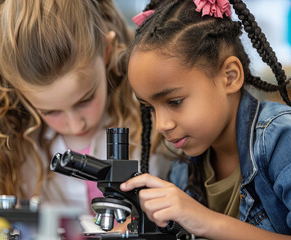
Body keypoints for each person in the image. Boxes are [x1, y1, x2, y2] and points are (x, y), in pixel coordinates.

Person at [0, 0, 173, 222]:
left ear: (107, 51)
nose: (75, 124)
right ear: (19, 94)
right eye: (50, 112)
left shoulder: (153, 128)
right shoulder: (15, 152)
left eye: (85, 100)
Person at [121, 0, 291, 238]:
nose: (161, 125)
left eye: (175, 101)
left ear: (230, 77)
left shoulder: (282, 140)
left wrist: (204, 220)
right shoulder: (183, 171)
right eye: (149, 107)